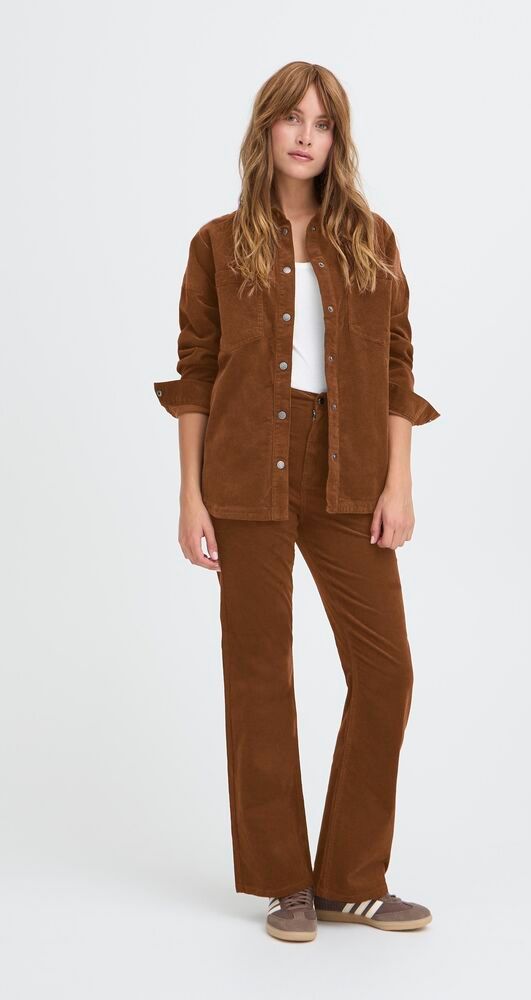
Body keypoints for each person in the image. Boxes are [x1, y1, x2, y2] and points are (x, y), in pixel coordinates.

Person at [153, 61, 441, 942]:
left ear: (335, 138)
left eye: (321, 121)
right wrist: (189, 495)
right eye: (291, 118)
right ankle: (284, 881)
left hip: (350, 468)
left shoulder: (370, 238)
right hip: (245, 470)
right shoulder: (216, 244)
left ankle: (350, 878)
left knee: (385, 671)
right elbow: (197, 372)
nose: (305, 135)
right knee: (259, 674)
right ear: (266, 131)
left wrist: (398, 480)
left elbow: (396, 364)